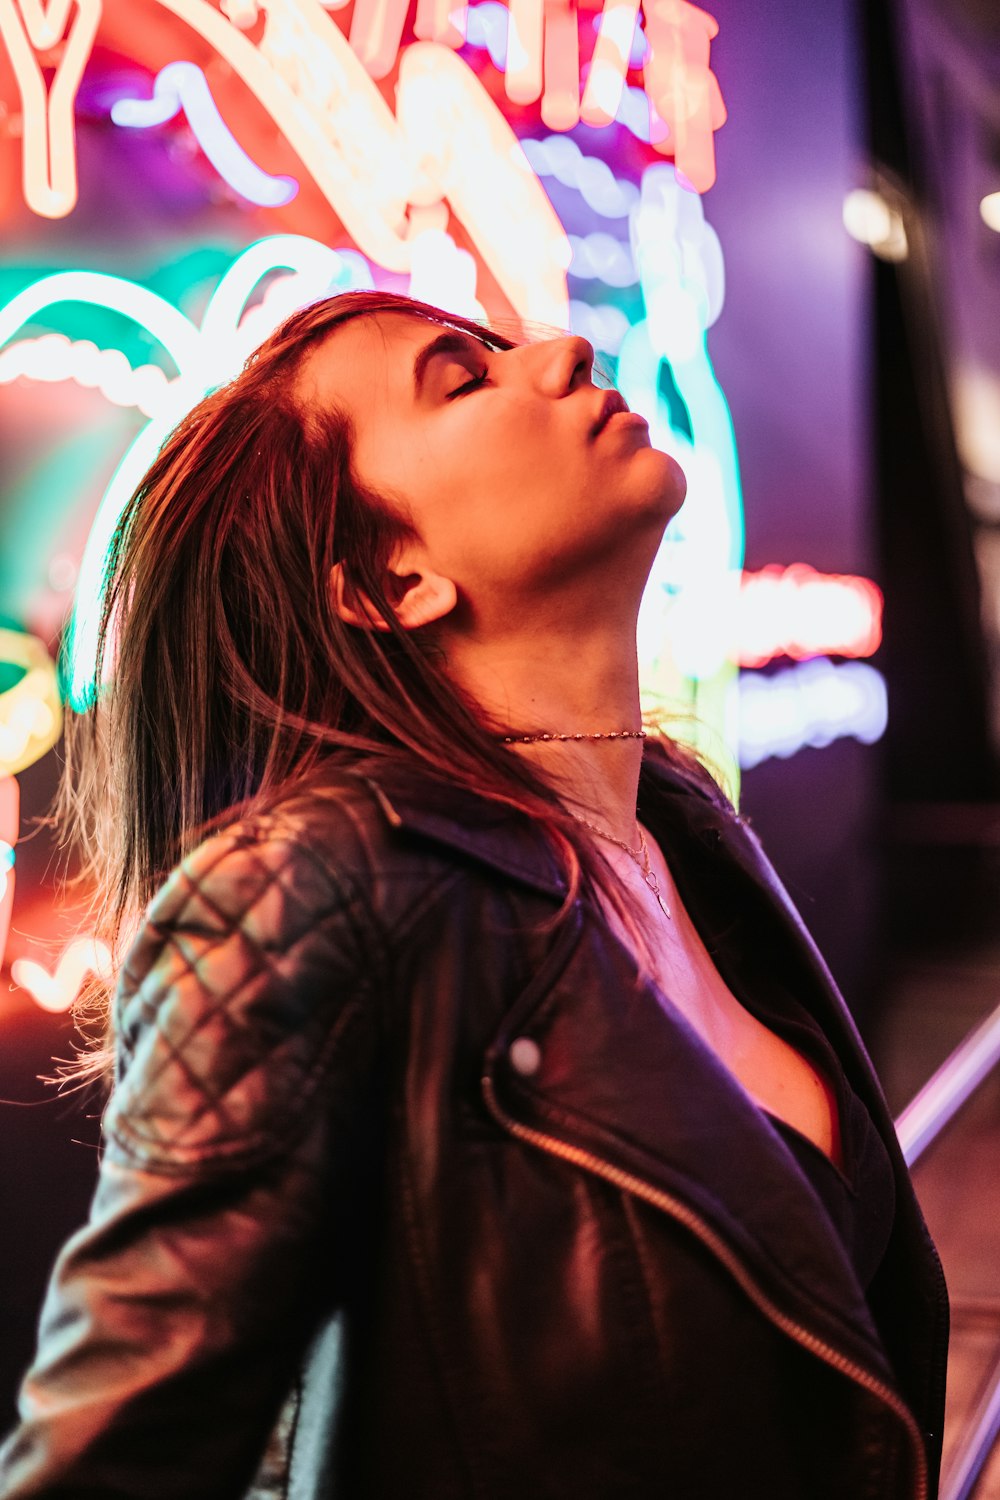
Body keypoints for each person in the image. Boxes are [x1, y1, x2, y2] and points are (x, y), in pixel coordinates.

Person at [0, 289, 948, 1499]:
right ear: (387, 580)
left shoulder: (683, 832)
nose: (562, 353)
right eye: (462, 378)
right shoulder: (312, 894)